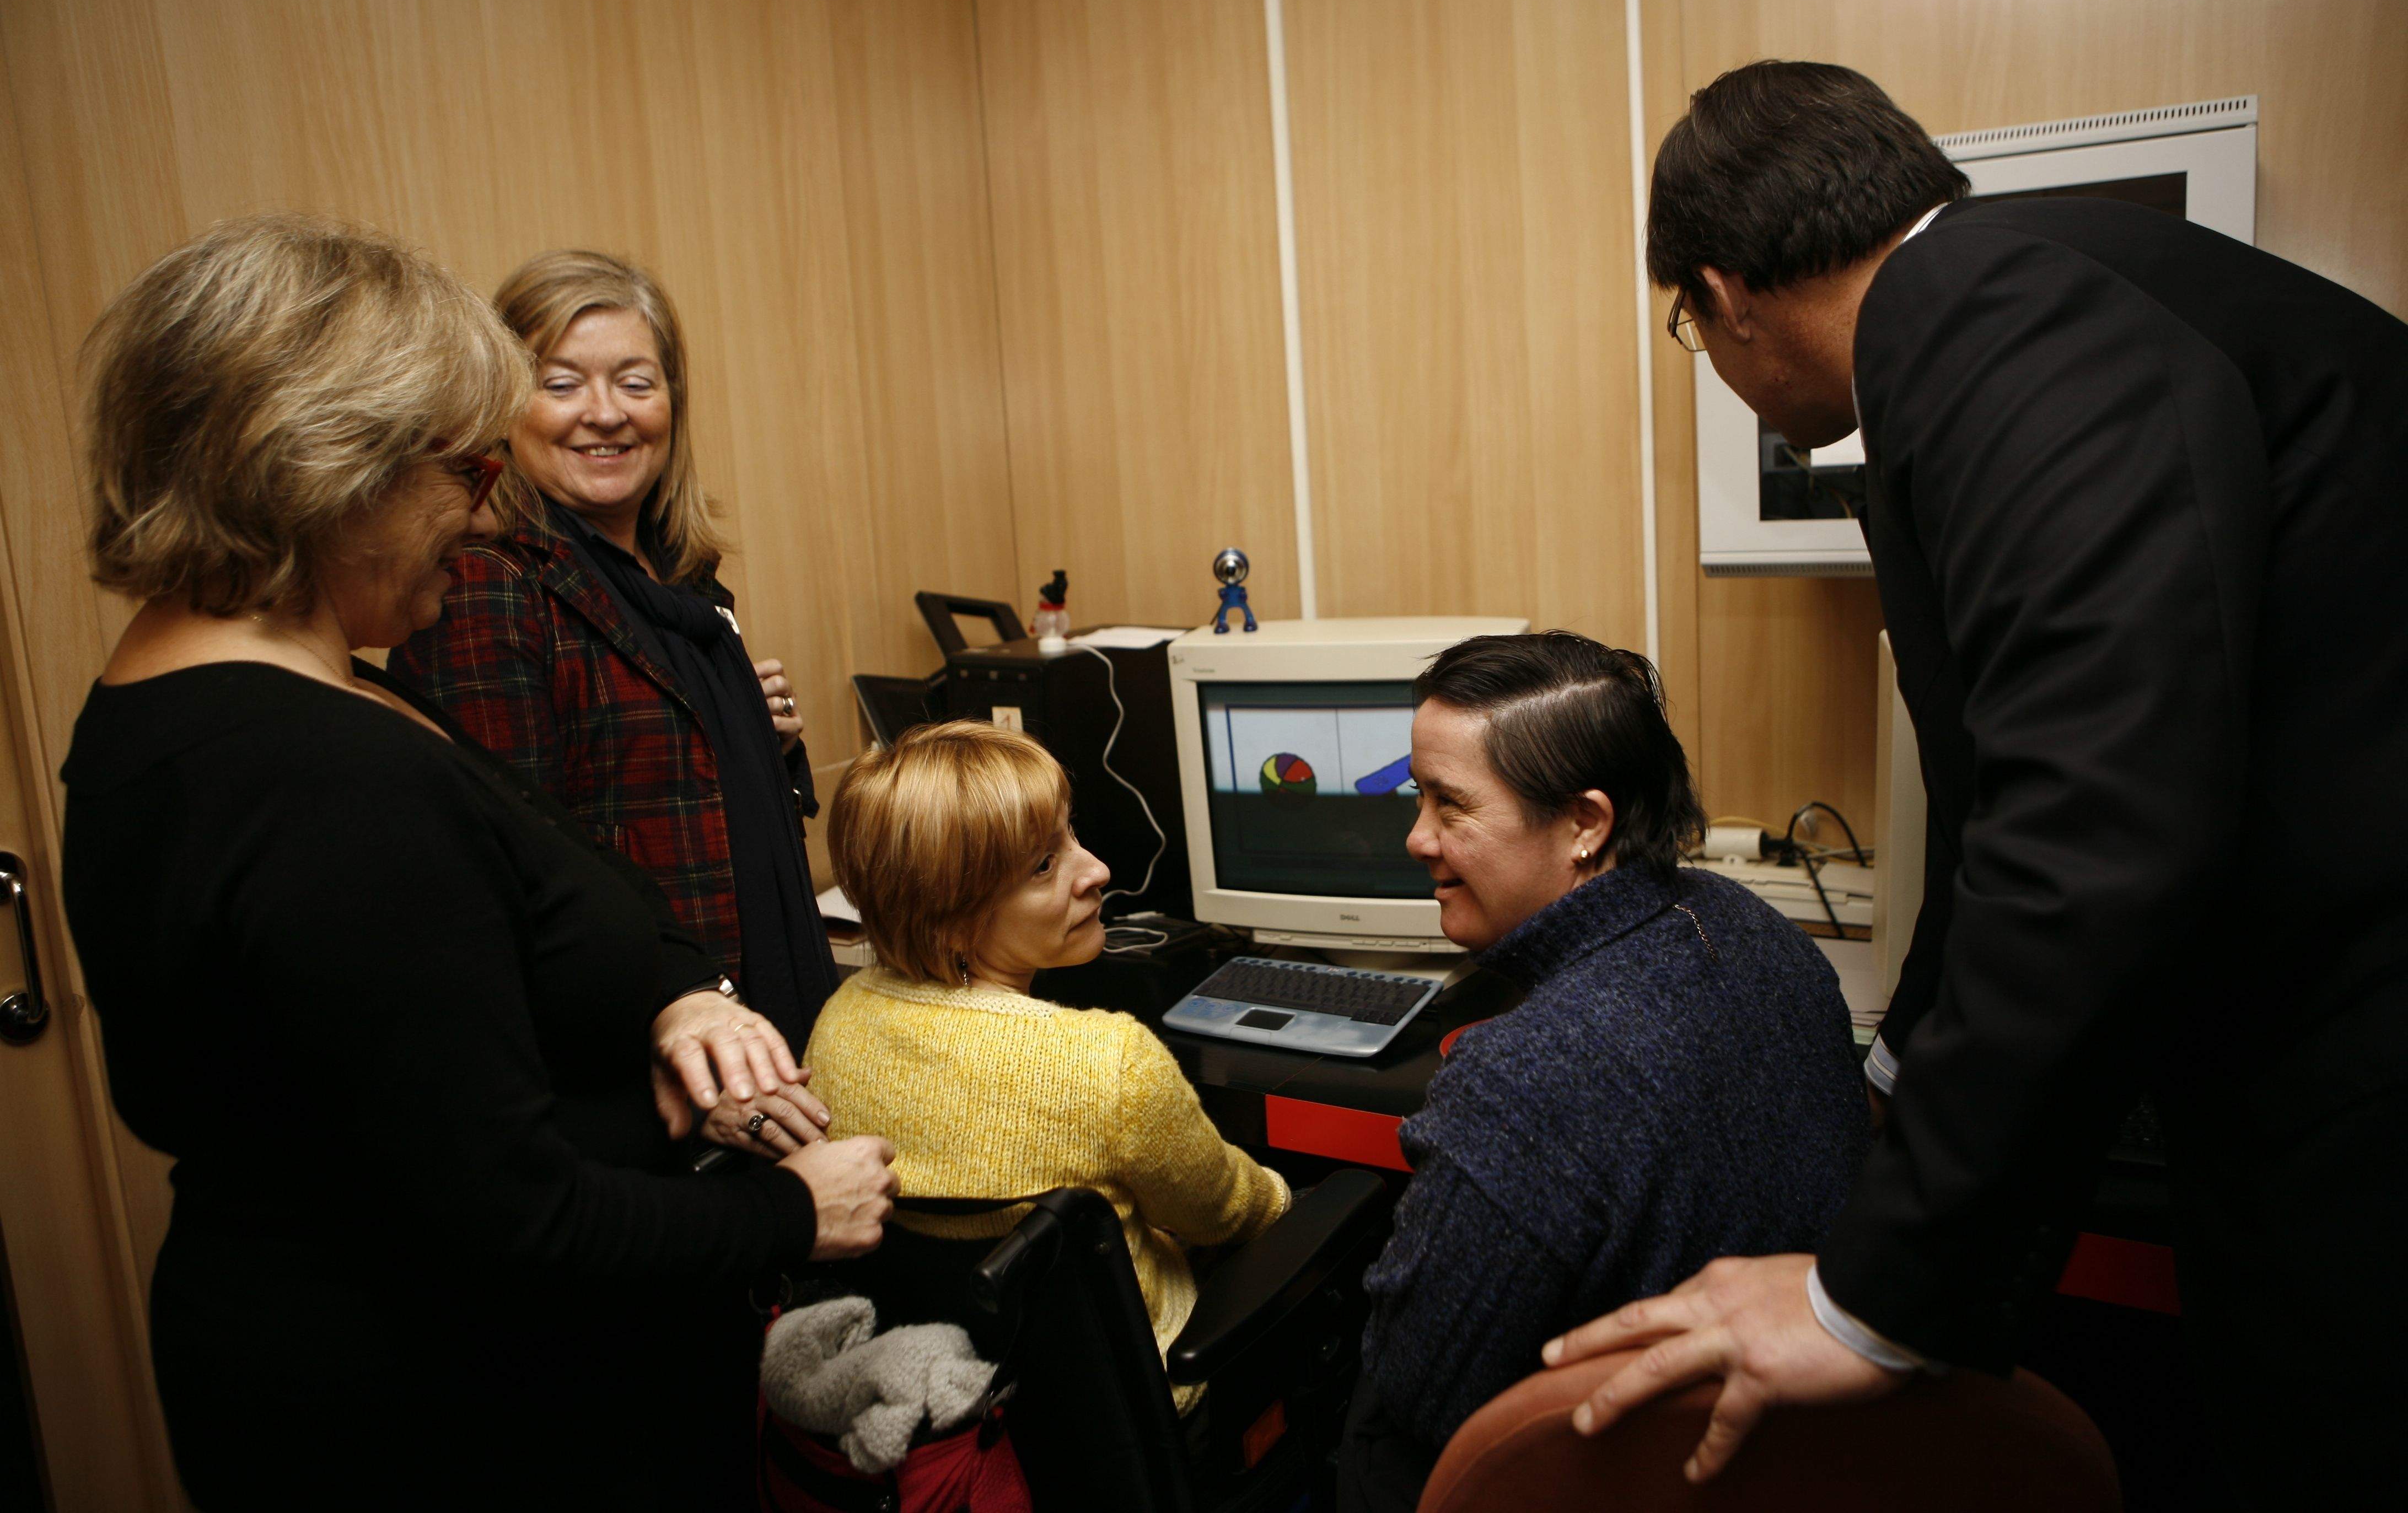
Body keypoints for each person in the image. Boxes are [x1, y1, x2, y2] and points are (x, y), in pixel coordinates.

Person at [1546, 61, 2408, 1506]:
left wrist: (1870, 1294)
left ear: (1727, 292)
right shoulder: (2022, 300)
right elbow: (2012, 798)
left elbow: (2097, 828)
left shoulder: (1998, 324)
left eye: (1691, 328)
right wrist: (1899, 1070)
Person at [61, 216, 899, 1509]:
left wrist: (671, 994)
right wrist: (796, 1212)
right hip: (448, 1411)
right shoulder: (316, 778)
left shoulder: (280, 691)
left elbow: (545, 887)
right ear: (333, 472)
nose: (487, 505)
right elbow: (509, 1218)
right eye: (462, 468)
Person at [1335, 633, 1867, 1513]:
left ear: (1585, 824)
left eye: (1451, 805)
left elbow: (1420, 1392)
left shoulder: (1525, 1081)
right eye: (1417, 796)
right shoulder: (1755, 929)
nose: (1418, 837)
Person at [391, 249, 840, 1083]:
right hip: (643, 1059)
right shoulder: (482, 587)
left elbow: (675, 790)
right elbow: (511, 879)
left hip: (757, 1014)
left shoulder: (686, 585)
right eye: (560, 385)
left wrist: (749, 741)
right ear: (504, 407)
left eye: (636, 383)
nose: (605, 415)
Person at [806, 719, 1292, 1413]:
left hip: (969, 1397)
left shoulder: (837, 1024)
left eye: (1071, 835)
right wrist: (1286, 1198)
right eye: (1043, 866)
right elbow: (1227, 1214)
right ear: (949, 920)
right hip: (1140, 1404)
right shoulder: (1107, 1063)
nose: (1095, 871)